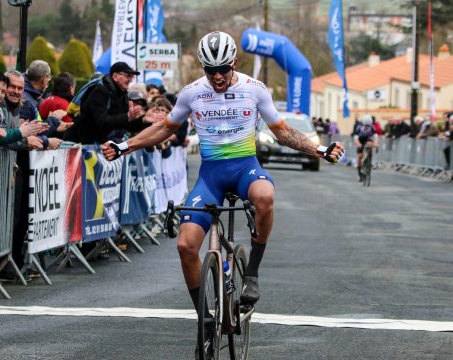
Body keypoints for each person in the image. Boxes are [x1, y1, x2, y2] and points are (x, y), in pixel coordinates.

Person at [101, 31, 344, 344]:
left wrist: (319, 150)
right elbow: (165, 127)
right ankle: (205, 316)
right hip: (211, 176)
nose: (217, 77)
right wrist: (125, 146)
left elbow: (281, 132)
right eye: (210, 70)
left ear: (234, 63)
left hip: (245, 167)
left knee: (265, 197)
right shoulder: (192, 93)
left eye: (223, 70)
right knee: (186, 246)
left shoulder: (254, 89)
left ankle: (252, 273)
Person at [73, 62, 162, 144]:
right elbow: (101, 122)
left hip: (99, 147)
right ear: (115, 76)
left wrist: (143, 120)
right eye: (128, 75)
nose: (130, 80)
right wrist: (127, 116)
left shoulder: (123, 94)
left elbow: (127, 126)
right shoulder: (100, 91)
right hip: (83, 146)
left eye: (132, 76)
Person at [354, 115, 379, 181]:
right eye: (365, 125)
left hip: (368, 139)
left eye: (368, 125)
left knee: (369, 144)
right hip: (360, 139)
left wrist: (376, 143)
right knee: (359, 156)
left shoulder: (372, 127)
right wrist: (358, 144)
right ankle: (359, 173)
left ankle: (368, 158)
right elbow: (356, 138)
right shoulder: (359, 127)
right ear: (363, 124)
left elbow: (376, 136)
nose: (366, 127)